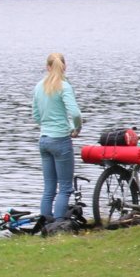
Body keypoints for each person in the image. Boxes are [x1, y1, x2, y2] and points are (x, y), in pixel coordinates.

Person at [32, 52, 83, 232]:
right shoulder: (64, 87)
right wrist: (76, 128)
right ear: (64, 67)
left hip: (44, 140)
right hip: (61, 140)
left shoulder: (39, 86)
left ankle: (45, 226)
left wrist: (48, 125)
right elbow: (75, 113)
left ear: (47, 67)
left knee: (49, 189)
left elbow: (36, 115)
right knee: (65, 187)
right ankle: (58, 227)